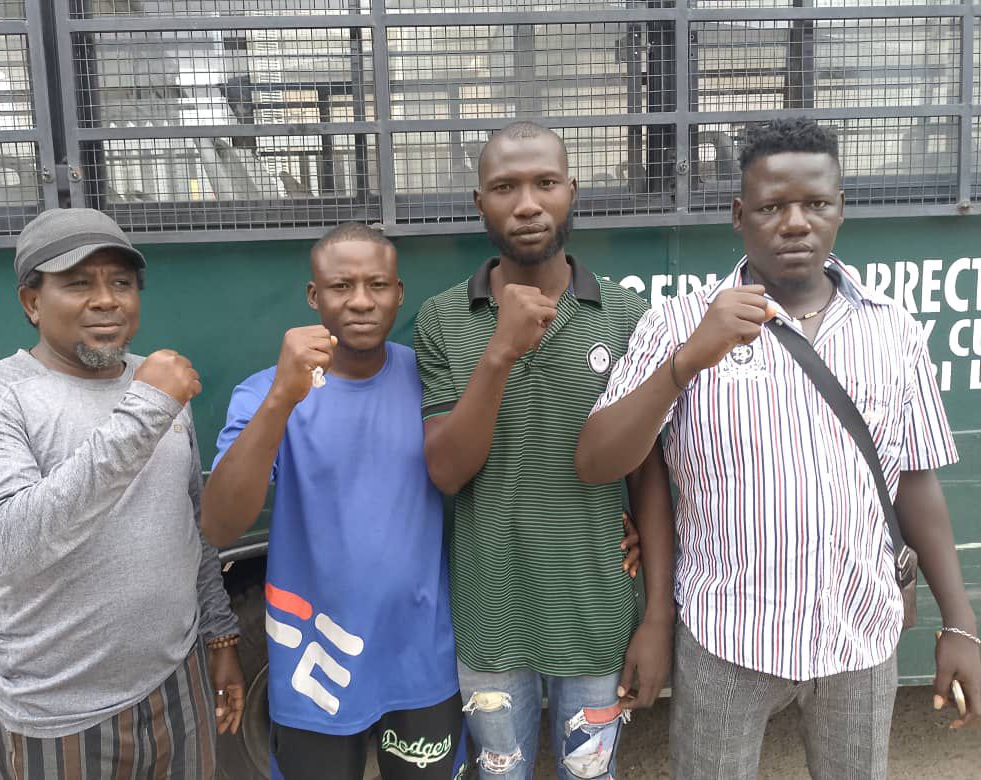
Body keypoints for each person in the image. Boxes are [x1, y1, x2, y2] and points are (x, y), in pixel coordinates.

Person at [576, 117, 981, 778]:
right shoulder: (679, 321)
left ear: (841, 209)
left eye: (816, 203)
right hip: (727, 637)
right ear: (740, 215)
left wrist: (959, 623)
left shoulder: (892, 329)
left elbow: (914, 481)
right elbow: (596, 459)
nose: (796, 223)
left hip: (860, 635)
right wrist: (687, 361)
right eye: (771, 207)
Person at [413, 122, 674, 779]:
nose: (527, 204)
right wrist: (500, 352)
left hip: (597, 617)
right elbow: (446, 471)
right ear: (481, 203)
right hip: (490, 621)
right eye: (506, 187)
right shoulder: (442, 319)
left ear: (571, 192)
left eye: (545, 183)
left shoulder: (626, 316)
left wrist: (657, 619)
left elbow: (649, 479)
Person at [0, 208, 244, 779]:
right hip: (58, 710)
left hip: (177, 683)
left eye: (122, 283)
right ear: (32, 303)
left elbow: (192, 523)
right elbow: (6, 545)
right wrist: (146, 411)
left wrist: (220, 635)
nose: (106, 300)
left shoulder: (161, 383)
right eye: (78, 283)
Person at [200, 223, 468, 780]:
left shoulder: (429, 379)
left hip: (421, 660)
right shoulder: (264, 391)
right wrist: (283, 396)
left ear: (399, 292)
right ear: (313, 296)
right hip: (315, 665)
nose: (361, 301)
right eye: (342, 286)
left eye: (377, 285)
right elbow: (221, 523)